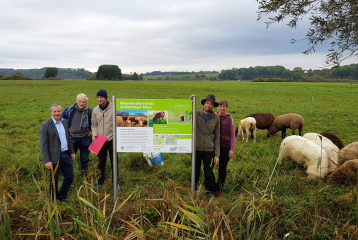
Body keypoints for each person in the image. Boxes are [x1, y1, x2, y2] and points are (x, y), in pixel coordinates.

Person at [40, 103, 76, 202]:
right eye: (55, 111)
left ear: (61, 111)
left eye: (59, 111)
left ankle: (62, 196)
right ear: (51, 112)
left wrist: (72, 151)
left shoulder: (65, 122)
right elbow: (43, 145)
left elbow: (68, 139)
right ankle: (53, 199)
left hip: (66, 155)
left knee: (70, 176)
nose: (57, 113)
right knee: (54, 180)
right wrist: (46, 160)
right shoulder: (45, 125)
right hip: (54, 157)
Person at [190, 94, 220, 195]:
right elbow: (186, 111)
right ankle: (193, 189)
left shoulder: (216, 119)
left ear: (213, 106)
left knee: (208, 172)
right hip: (196, 150)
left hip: (209, 151)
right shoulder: (196, 114)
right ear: (204, 104)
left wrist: (217, 155)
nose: (208, 106)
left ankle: (209, 192)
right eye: (207, 103)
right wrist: (190, 101)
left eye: (211, 104)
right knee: (195, 172)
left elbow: (217, 137)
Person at [91, 89, 118, 188]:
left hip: (112, 140)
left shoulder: (114, 108)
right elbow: (94, 125)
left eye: (101, 97)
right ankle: (100, 180)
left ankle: (116, 182)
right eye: (98, 97)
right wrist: (94, 135)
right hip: (100, 140)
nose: (99, 99)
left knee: (114, 162)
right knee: (101, 162)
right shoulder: (95, 110)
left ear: (105, 98)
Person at [62, 93, 93, 171]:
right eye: (80, 101)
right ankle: (68, 172)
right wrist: (66, 133)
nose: (81, 103)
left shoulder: (90, 111)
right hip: (72, 138)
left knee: (85, 157)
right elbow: (62, 122)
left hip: (86, 138)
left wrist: (93, 131)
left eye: (83, 102)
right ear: (76, 101)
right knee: (70, 156)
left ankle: (84, 172)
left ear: (86, 103)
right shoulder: (68, 110)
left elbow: (96, 123)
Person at [214, 99, 235, 196]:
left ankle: (220, 188)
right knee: (209, 168)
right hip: (213, 147)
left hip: (225, 147)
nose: (222, 108)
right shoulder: (213, 116)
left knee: (222, 169)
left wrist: (232, 149)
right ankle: (211, 186)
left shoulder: (229, 118)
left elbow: (232, 134)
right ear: (217, 107)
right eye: (220, 106)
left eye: (224, 106)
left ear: (226, 107)